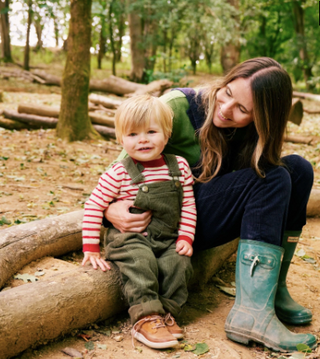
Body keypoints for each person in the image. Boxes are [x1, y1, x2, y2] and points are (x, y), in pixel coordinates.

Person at [104, 57, 317, 352]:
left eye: (242, 109)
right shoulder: (178, 106)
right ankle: (250, 317)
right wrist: (108, 210)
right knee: (271, 177)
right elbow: (120, 167)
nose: (226, 109)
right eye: (227, 93)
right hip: (167, 224)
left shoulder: (254, 134)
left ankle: (271, 291)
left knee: (299, 169)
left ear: (262, 117)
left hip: (202, 218)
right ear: (226, 81)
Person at [82, 94, 196, 349]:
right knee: (141, 262)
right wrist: (90, 247)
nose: (142, 139)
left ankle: (166, 313)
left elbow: (188, 204)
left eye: (151, 131)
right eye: (132, 134)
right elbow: (94, 205)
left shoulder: (179, 166)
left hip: (167, 238)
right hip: (130, 239)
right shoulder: (119, 172)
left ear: (167, 135)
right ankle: (145, 317)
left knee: (179, 263)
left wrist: (185, 237)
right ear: (121, 140)